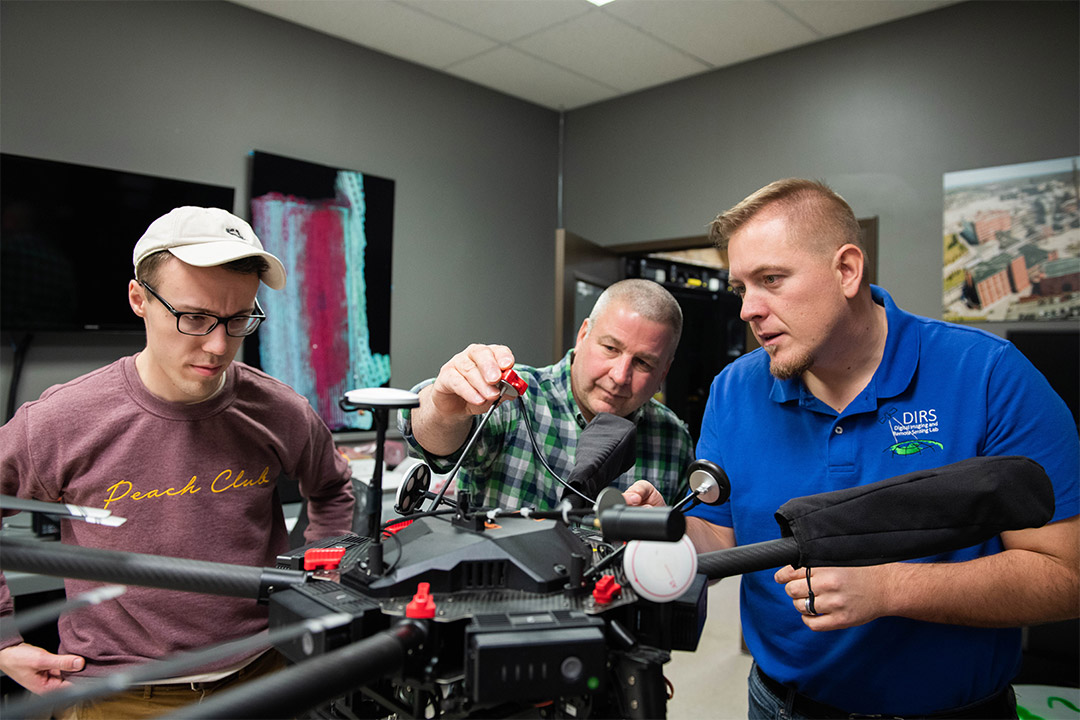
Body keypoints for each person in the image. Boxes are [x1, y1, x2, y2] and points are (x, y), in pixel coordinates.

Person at [624, 179, 1079, 718]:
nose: (748, 309)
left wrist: (889, 588)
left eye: (771, 279)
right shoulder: (734, 389)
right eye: (742, 286)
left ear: (847, 270)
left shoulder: (987, 376)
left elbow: (1066, 575)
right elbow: (721, 534)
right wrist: (670, 529)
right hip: (780, 704)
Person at [0, 206, 356, 717]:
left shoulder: (279, 410)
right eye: (194, 318)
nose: (219, 346)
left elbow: (332, 489)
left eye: (238, 320)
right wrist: (5, 644)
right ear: (139, 299)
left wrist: (320, 580)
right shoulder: (62, 420)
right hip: (121, 696)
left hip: (268, 675)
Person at [400, 278, 695, 510]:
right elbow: (432, 444)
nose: (619, 376)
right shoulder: (514, 399)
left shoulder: (674, 439)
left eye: (643, 363)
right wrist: (442, 409)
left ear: (663, 373)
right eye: (610, 348)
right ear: (583, 336)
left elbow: (693, 559)